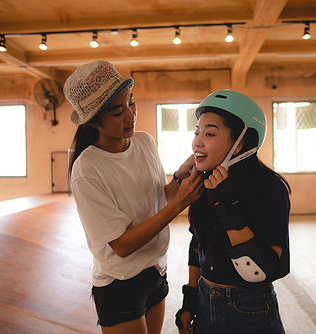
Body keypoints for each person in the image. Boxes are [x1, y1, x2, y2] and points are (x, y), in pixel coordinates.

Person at [64, 60, 204, 334]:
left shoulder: (145, 141)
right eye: (117, 112)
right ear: (93, 122)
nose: (130, 116)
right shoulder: (88, 168)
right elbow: (122, 244)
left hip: (156, 271)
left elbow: (156, 200)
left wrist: (178, 178)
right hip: (120, 282)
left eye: (131, 102)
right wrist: (179, 204)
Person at [175, 90, 291, 334]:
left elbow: (259, 269)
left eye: (209, 133)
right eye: (197, 132)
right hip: (206, 301)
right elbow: (198, 245)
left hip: (249, 307)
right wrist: (191, 300)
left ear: (239, 144)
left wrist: (224, 201)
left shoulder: (270, 188)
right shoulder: (203, 182)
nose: (197, 141)